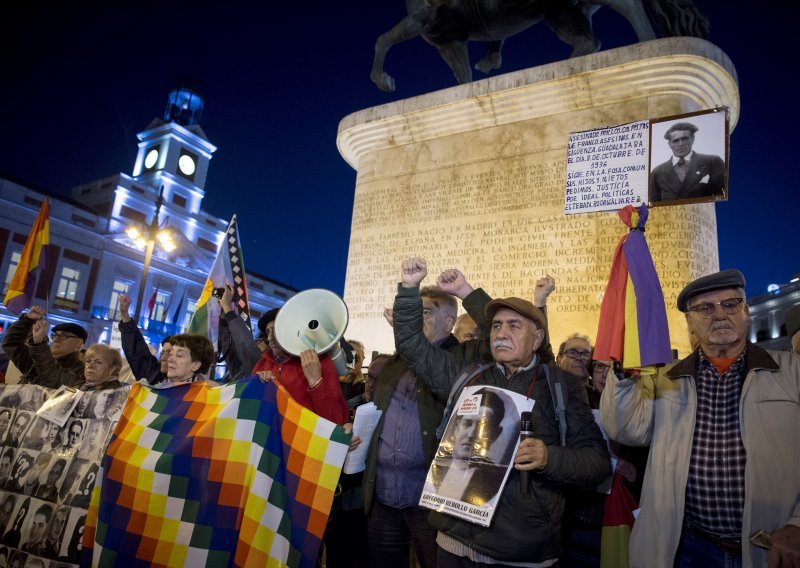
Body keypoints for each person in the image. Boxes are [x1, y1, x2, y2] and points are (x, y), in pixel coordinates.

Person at [393, 258, 611, 566]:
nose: (501, 333)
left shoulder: (560, 388)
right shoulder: (467, 376)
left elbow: (598, 463)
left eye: (514, 326)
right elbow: (412, 344)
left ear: (537, 339)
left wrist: (548, 458)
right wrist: (408, 288)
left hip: (519, 552)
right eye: (495, 326)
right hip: (452, 543)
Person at [600, 269, 800, 567]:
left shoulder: (792, 371)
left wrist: (798, 524)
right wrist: (624, 373)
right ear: (690, 322)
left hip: (768, 549)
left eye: (730, 304)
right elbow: (627, 429)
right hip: (687, 547)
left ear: (746, 312)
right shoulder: (667, 377)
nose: (719, 315)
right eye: (705, 308)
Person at [362, 284, 460, 568]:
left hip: (429, 503)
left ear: (449, 322)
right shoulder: (394, 363)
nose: (416, 320)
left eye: (426, 313)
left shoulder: (458, 362)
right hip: (382, 497)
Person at [252, 309, 350, 426]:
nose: (269, 338)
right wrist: (256, 386)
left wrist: (316, 383)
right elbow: (251, 409)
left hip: (304, 441)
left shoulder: (319, 360)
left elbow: (335, 421)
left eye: (275, 330)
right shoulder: (262, 364)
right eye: (268, 332)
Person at [428, 388, 509, 506]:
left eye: (483, 427)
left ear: (495, 434)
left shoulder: (498, 481)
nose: (471, 434)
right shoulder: (435, 467)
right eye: (467, 424)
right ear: (456, 427)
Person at [1, 306, 86, 388]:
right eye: (55, 335)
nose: (56, 339)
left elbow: (52, 375)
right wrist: (27, 320)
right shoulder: (37, 360)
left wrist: (39, 343)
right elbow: (11, 344)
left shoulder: (82, 372)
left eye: (64, 336)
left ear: (78, 343)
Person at [649, 121, 725, 203]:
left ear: (692, 139)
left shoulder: (712, 162)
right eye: (675, 141)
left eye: (684, 139)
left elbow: (721, 197)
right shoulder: (657, 172)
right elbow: (654, 205)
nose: (681, 144)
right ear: (669, 144)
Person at [118, 294, 170, 385]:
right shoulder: (153, 374)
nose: (164, 357)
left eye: (170, 353)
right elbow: (137, 350)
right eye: (163, 352)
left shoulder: (194, 389)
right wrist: (125, 314)